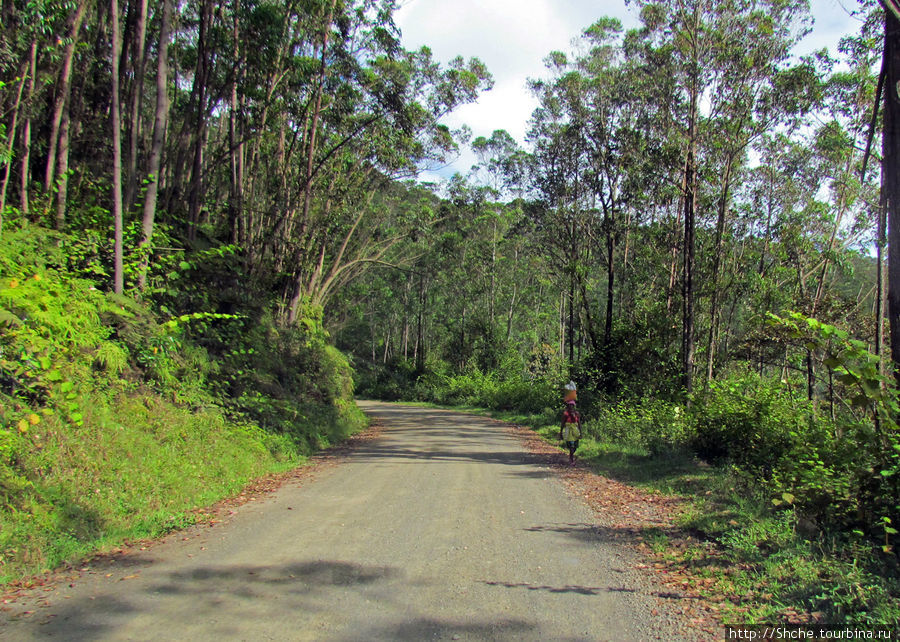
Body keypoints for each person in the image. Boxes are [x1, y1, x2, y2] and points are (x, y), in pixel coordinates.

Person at [559, 399, 582, 464]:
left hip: (575, 431)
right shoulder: (565, 414)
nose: (571, 407)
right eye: (569, 405)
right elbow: (563, 423)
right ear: (567, 406)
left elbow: (579, 423)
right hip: (569, 431)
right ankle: (571, 459)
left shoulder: (577, 413)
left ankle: (571, 456)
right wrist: (561, 432)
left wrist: (581, 433)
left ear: (574, 406)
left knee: (575, 446)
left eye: (572, 405)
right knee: (571, 445)